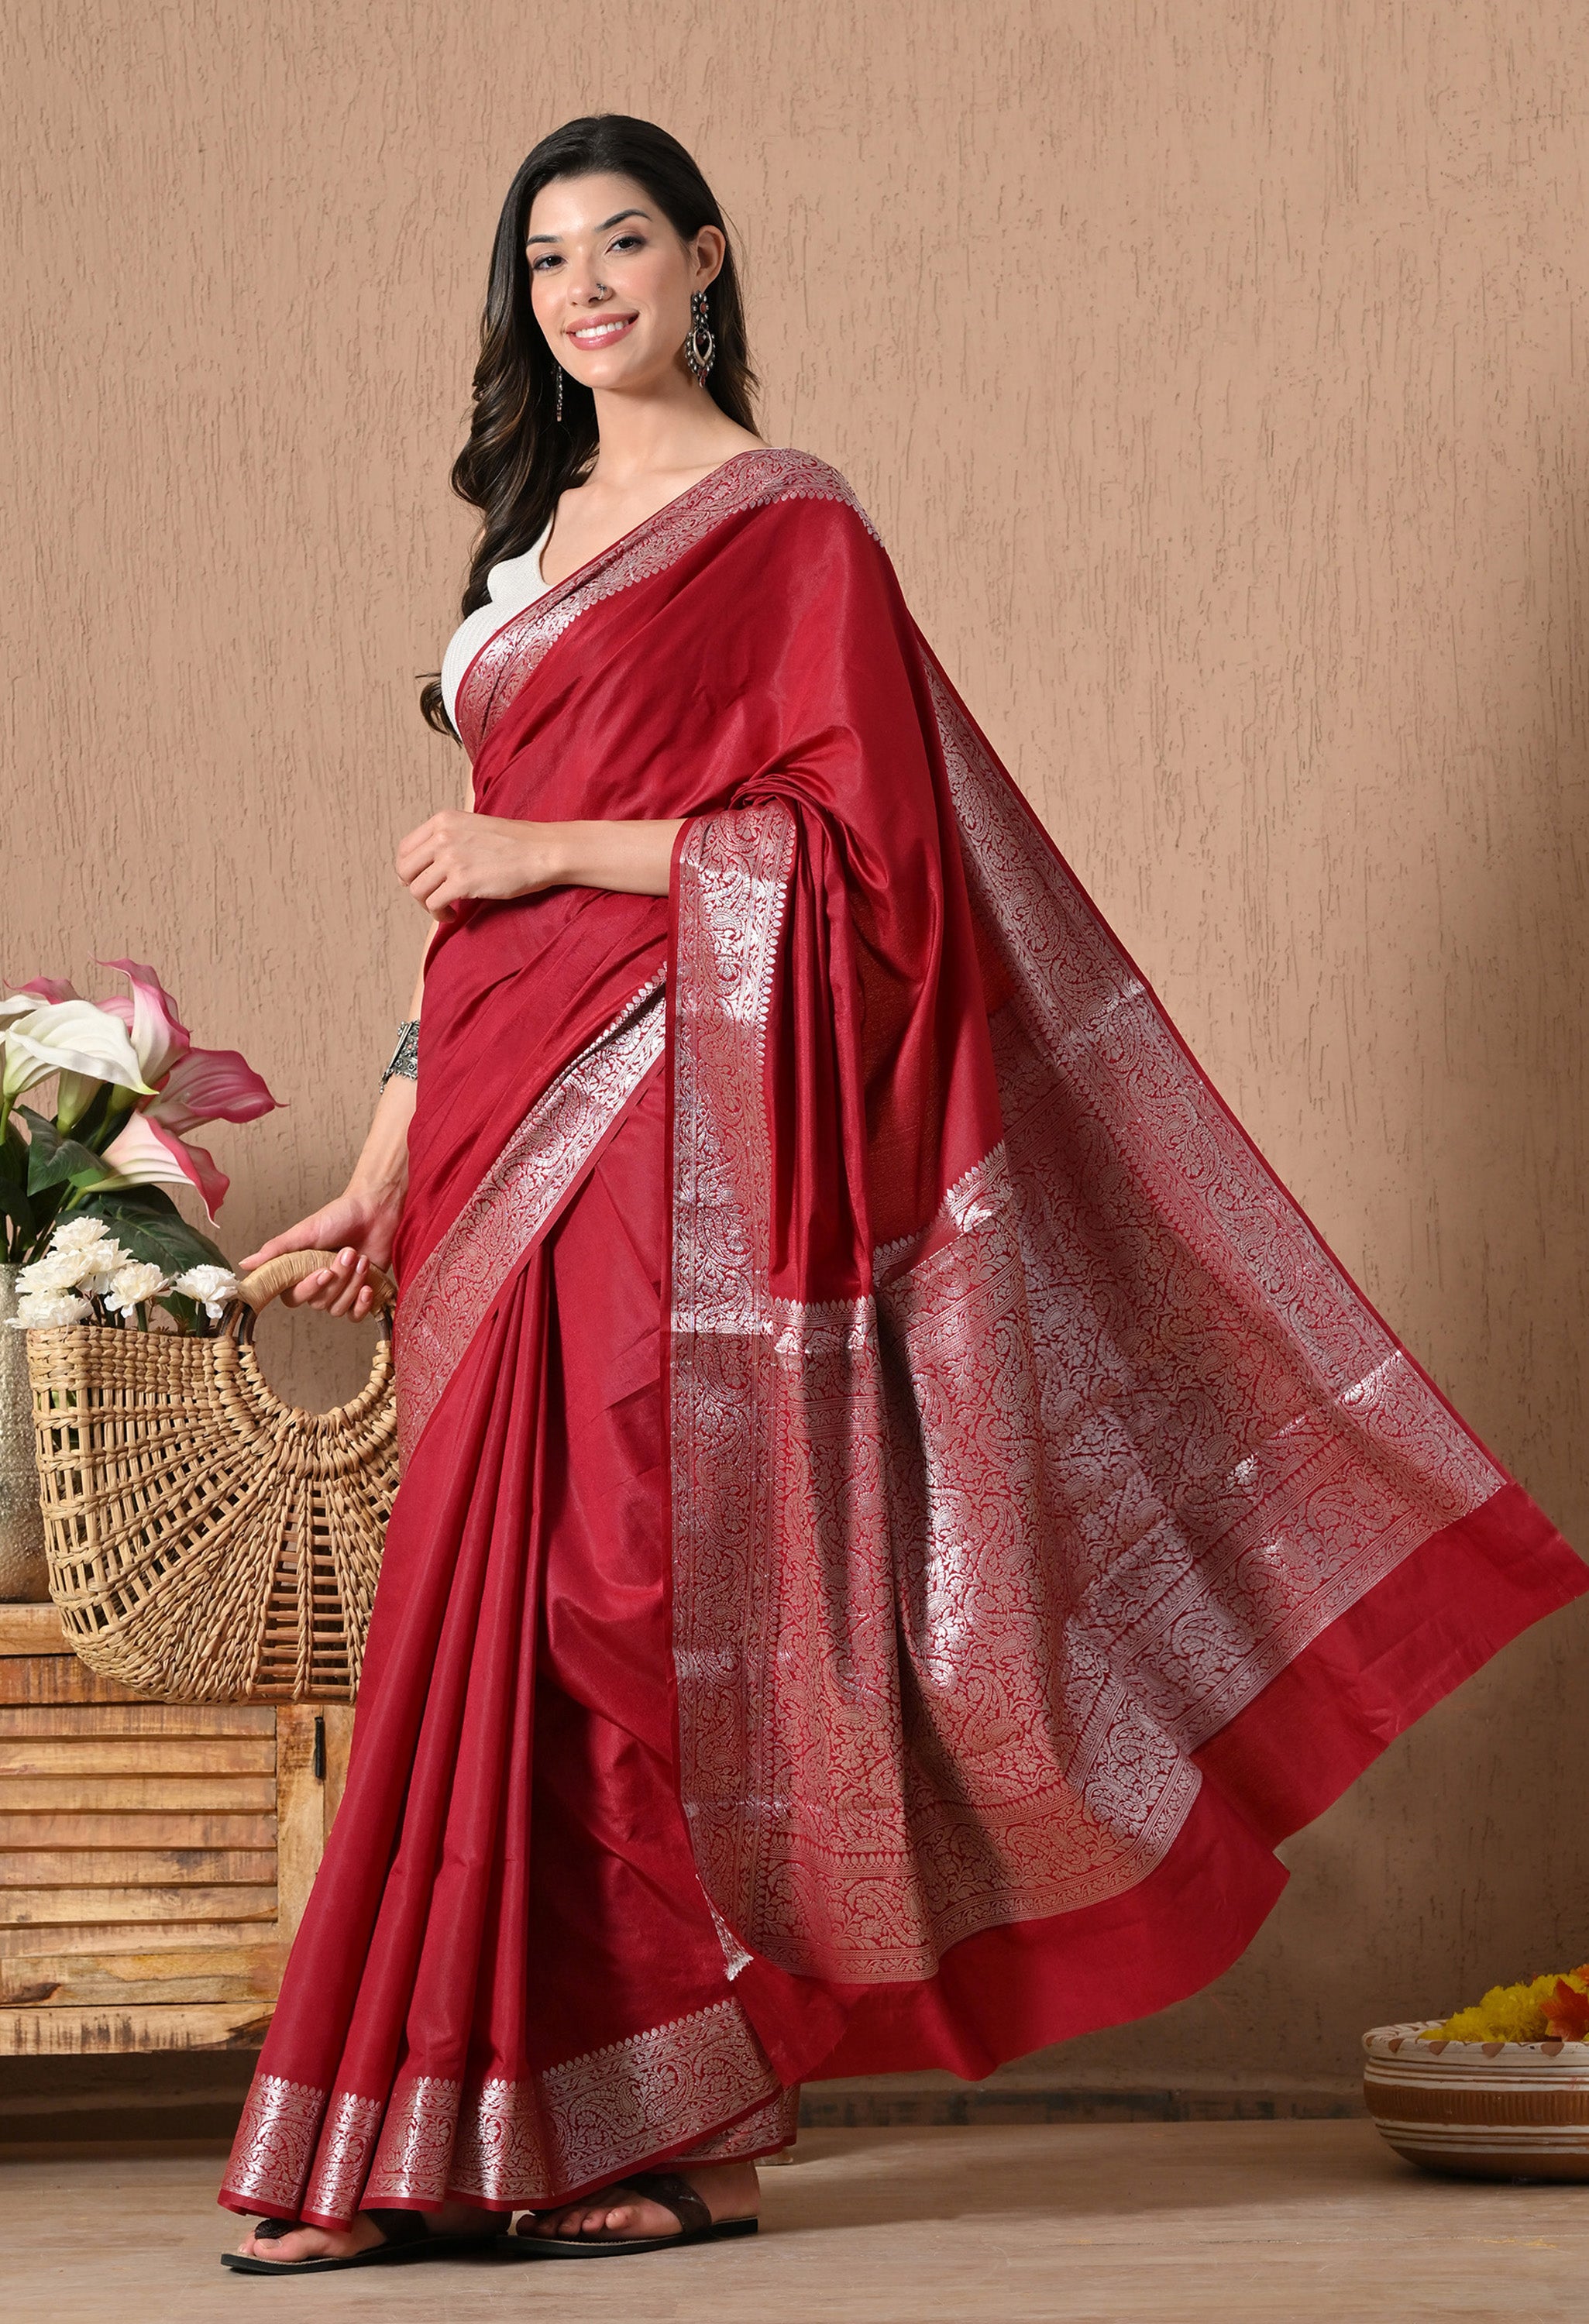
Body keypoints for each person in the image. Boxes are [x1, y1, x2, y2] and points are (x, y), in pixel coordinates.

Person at [218, 114, 1584, 2273]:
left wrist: (548, 850)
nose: (585, 290)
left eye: (625, 245)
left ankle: (686, 2134)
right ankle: (423, 2141)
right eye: (548, 260)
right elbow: (452, 914)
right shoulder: (528, 547)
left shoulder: (791, 530)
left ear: (705, 263)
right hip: (485, 1131)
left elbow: (865, 863)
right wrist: (387, 1172)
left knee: (620, 1594)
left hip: (669, 1121)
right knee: (465, 1626)